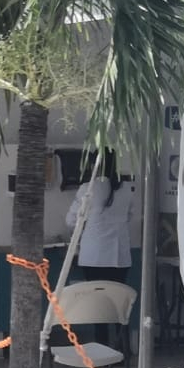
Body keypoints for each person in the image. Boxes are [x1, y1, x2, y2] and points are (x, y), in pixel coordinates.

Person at [66, 148, 135, 345]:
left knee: (98, 306)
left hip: (93, 257)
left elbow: (71, 220)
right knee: (119, 306)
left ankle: (102, 348)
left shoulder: (88, 188)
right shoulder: (127, 189)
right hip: (120, 256)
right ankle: (122, 348)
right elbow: (130, 216)